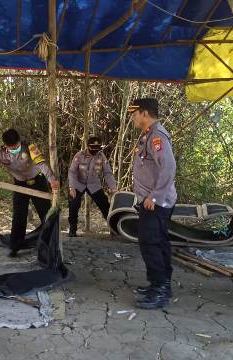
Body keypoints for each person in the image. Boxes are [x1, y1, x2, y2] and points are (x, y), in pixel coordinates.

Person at [0, 129, 59, 257]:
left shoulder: (30, 148)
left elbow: (42, 164)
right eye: (11, 147)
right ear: (5, 145)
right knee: (19, 216)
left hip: (38, 182)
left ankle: (50, 246)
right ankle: (15, 246)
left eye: (17, 146)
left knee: (46, 214)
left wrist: (52, 180)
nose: (15, 149)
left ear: (20, 141)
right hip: (20, 185)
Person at [129, 98, 177, 310]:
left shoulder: (157, 136)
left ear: (144, 113)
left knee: (150, 243)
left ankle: (159, 290)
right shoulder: (148, 134)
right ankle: (161, 284)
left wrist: (154, 197)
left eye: (134, 113)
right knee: (159, 242)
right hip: (152, 200)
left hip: (155, 202)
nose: (132, 117)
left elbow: (168, 168)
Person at [67, 136, 118, 237]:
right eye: (93, 148)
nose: (95, 150)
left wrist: (113, 187)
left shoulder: (101, 156)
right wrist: (72, 187)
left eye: (97, 148)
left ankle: (114, 229)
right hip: (78, 183)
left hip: (93, 184)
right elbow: (72, 172)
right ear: (88, 146)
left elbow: (107, 172)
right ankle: (72, 229)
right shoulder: (79, 155)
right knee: (73, 203)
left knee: (104, 204)